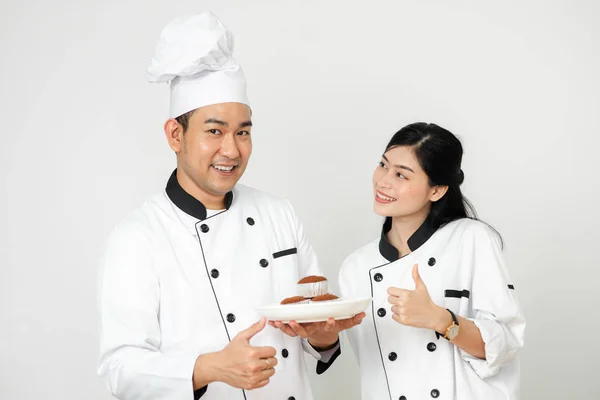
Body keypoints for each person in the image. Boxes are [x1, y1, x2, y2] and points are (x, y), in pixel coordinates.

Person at [97, 12, 362, 400]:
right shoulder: (138, 237)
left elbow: (310, 325)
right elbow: (119, 369)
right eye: (214, 131)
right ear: (175, 134)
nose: (232, 150)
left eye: (243, 132)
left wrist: (323, 337)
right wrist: (210, 367)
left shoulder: (279, 214)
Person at [338, 122, 526, 400]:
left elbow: (506, 343)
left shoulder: (471, 239)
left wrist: (441, 319)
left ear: (436, 190)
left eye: (401, 175)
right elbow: (372, 366)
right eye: (383, 165)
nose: (383, 181)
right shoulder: (355, 267)